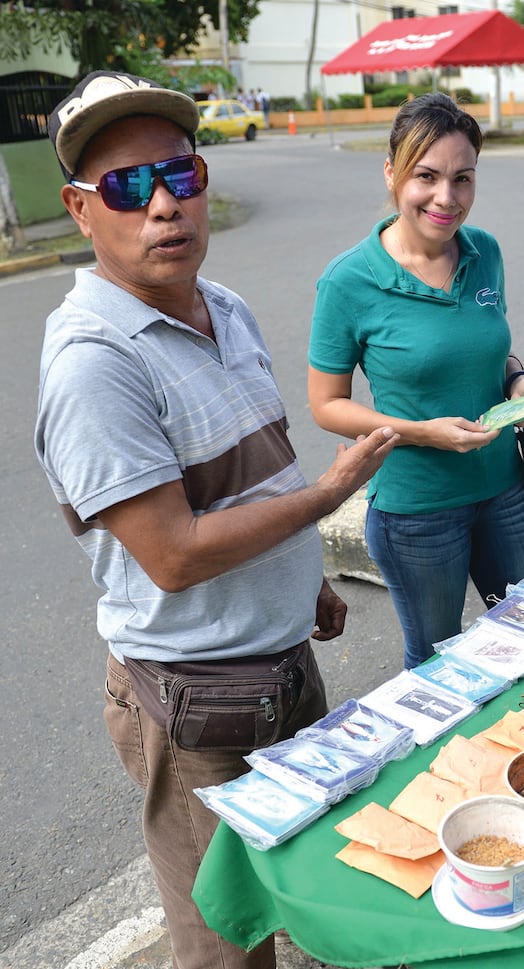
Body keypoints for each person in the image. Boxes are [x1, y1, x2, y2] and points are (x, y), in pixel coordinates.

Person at [34, 70, 397, 969]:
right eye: (128, 187)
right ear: (82, 211)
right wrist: (327, 496)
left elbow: (251, 468)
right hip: (195, 699)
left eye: (180, 176)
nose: (164, 205)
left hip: (284, 663)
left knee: (306, 876)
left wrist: (300, 575)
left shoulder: (222, 306)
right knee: (224, 938)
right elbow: (173, 553)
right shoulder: (94, 364)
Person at [308, 92, 524, 670]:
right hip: (418, 511)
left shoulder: (484, 251)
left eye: (462, 179)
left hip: (507, 491)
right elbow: (327, 404)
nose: (446, 198)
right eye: (427, 176)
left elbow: (485, 345)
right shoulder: (349, 280)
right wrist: (421, 431)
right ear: (391, 173)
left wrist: (516, 379)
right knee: (439, 663)